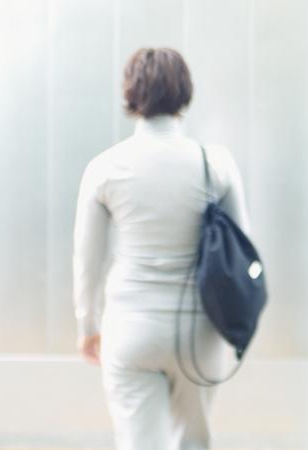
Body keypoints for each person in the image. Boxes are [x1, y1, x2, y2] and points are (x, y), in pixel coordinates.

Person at [72, 47, 250, 449]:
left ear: (131, 94)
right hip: (200, 331)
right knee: (193, 442)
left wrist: (88, 326)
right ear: (184, 94)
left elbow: (88, 260)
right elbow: (242, 246)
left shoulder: (105, 167)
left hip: (131, 328)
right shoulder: (216, 163)